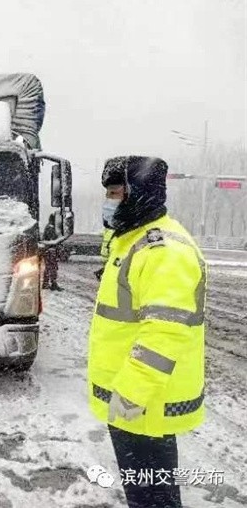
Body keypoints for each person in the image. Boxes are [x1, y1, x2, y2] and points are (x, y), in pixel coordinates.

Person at [88, 156, 206, 508]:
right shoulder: (132, 240)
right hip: (135, 399)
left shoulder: (163, 251)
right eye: (108, 193)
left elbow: (164, 334)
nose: (109, 201)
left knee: (153, 498)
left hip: (143, 402)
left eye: (116, 193)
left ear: (139, 194)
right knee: (147, 493)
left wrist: (130, 396)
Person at [42, 213, 63, 291]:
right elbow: (53, 241)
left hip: (49, 251)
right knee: (52, 267)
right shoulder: (51, 228)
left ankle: (47, 283)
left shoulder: (49, 227)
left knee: (49, 267)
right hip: (50, 251)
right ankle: (52, 283)